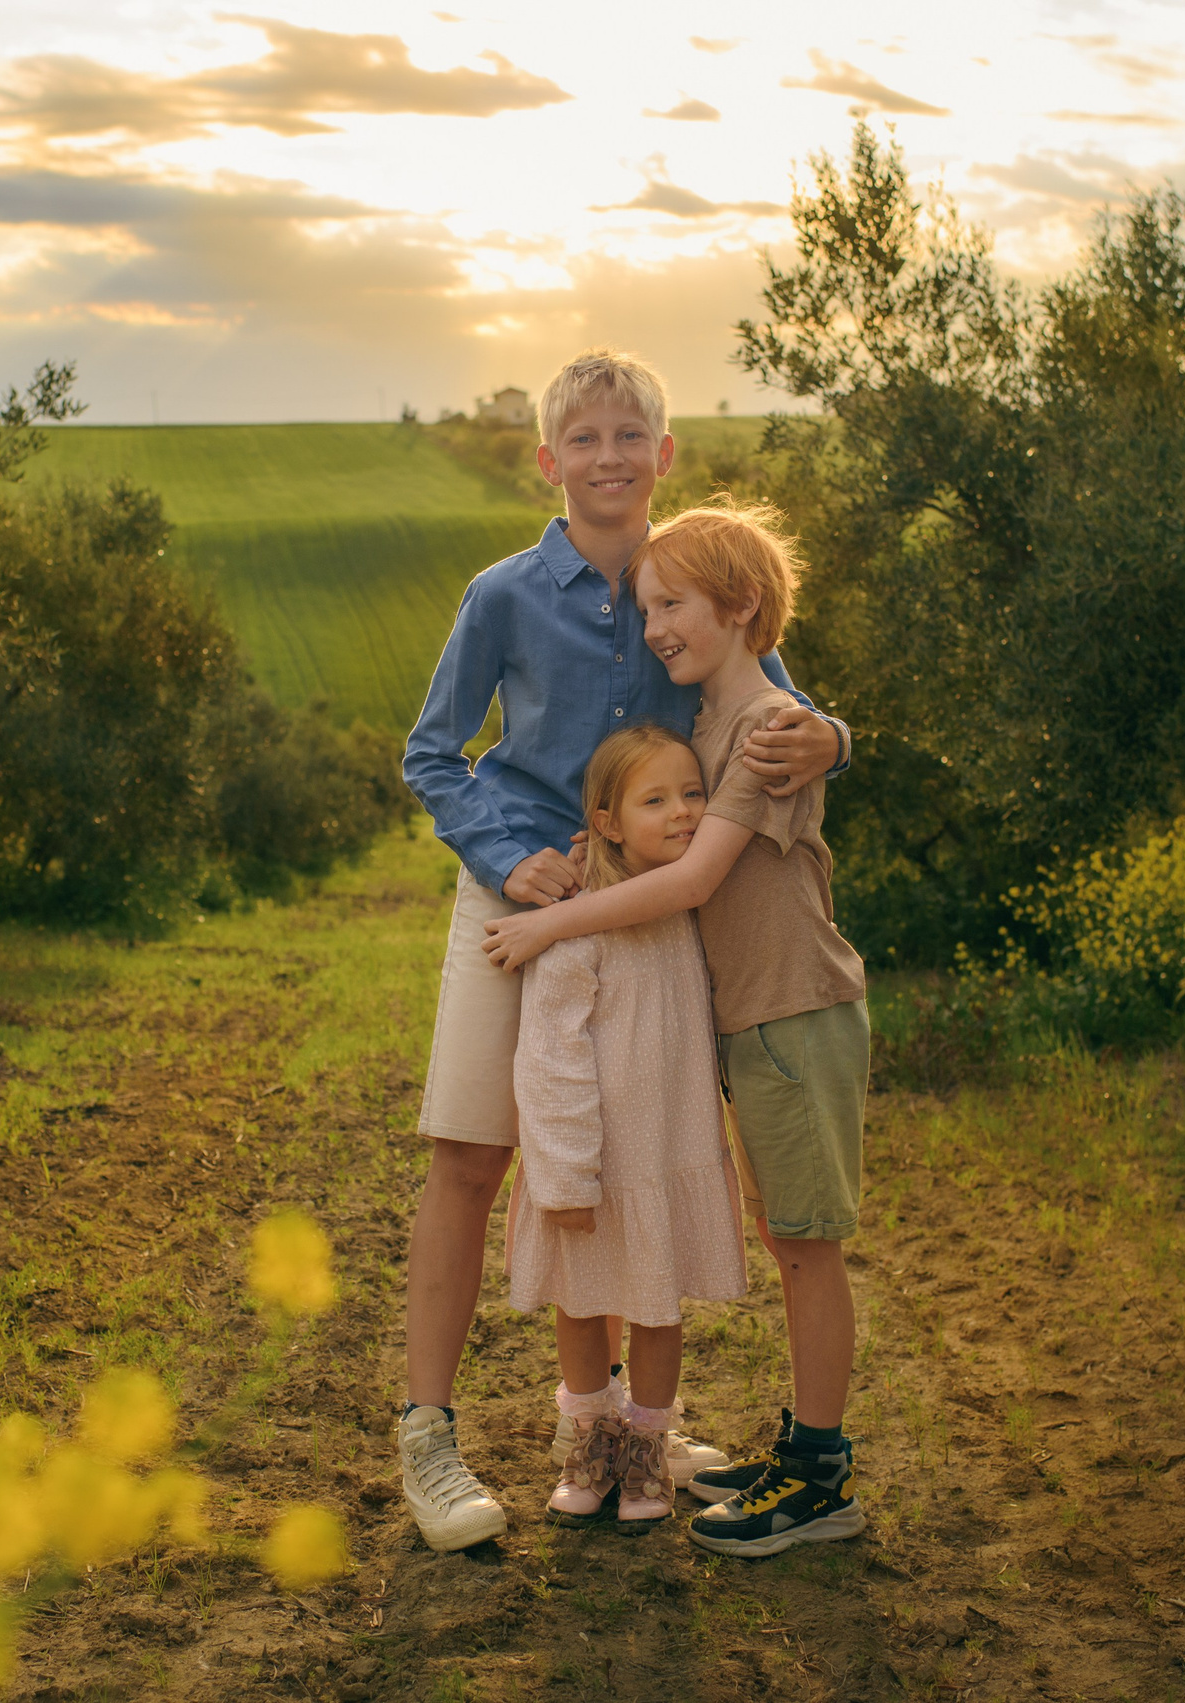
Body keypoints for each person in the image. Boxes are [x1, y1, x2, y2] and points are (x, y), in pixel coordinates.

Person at [396, 349, 850, 1551]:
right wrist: (509, 858)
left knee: (636, 1158)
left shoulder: (687, 581)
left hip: (653, 924)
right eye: (584, 438)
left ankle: (626, 1430)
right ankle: (428, 1434)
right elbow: (432, 751)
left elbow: (780, 706)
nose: (608, 456)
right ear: (549, 460)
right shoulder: (502, 594)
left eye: (629, 435)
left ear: (665, 453)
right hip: (520, 903)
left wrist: (836, 737)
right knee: (470, 1155)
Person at [481, 501, 871, 1558]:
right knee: (791, 1236)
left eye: (670, 605)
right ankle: (803, 1449)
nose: (651, 627)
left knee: (805, 1246)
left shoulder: (766, 729)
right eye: (646, 607)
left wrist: (550, 922)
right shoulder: (714, 726)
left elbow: (694, 879)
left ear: (739, 607)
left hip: (796, 1009)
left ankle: (820, 1476)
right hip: (754, 1019)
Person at [508, 723, 749, 1528]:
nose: (683, 812)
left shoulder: (689, 902)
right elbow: (551, 1058)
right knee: (581, 1304)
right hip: (596, 1162)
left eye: (693, 793)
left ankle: (647, 1443)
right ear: (606, 821)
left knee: (656, 1306)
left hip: (669, 1150)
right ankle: (590, 1437)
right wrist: (566, 1174)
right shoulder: (576, 925)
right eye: (656, 800)